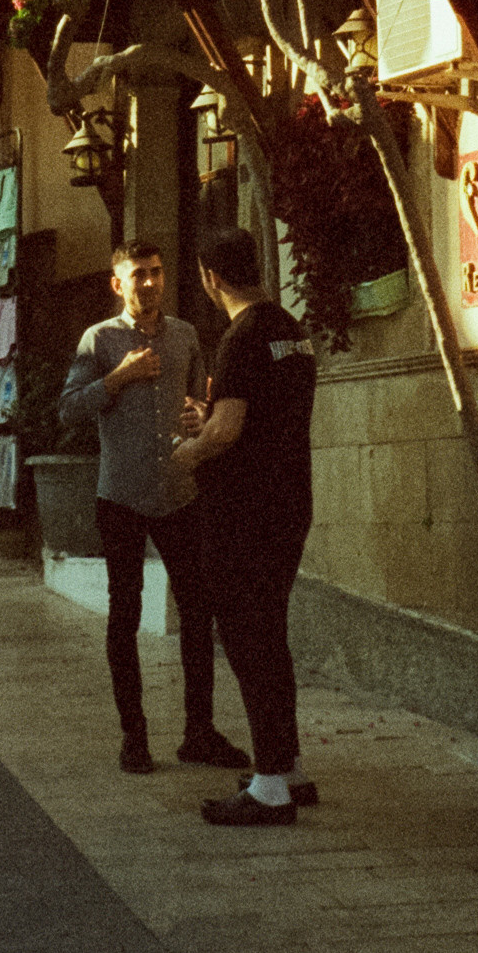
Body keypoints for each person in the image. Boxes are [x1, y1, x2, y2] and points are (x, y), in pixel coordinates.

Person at [59, 239, 251, 779]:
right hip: (119, 496)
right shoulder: (98, 339)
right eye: (138, 274)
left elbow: (202, 404)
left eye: (157, 272)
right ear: (118, 284)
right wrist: (116, 379)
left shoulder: (187, 335)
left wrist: (197, 415)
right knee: (124, 617)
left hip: (179, 495)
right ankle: (134, 737)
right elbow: (69, 409)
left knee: (197, 613)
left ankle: (199, 733)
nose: (149, 282)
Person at [173, 225, 319, 827]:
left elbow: (228, 432)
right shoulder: (291, 331)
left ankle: (268, 789)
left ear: (211, 277)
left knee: (246, 639)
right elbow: (261, 414)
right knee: (270, 634)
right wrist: (216, 418)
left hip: (244, 512)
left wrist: (190, 448)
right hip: (288, 503)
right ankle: (284, 768)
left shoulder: (240, 338)